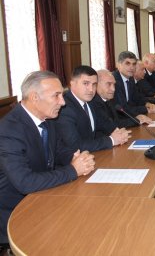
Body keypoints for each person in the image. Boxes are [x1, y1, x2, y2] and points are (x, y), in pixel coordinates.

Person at [0, 71, 95, 246]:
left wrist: (77, 157)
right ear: (35, 97)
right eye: (56, 96)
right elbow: (24, 182)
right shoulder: (8, 131)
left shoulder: (48, 119)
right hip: (14, 210)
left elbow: (59, 151)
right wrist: (73, 169)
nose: (63, 102)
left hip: (43, 194)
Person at [57, 65, 131, 152]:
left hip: (93, 154)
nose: (91, 89)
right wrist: (111, 140)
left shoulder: (91, 101)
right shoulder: (64, 108)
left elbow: (102, 124)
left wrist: (117, 132)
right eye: (85, 83)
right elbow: (75, 146)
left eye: (94, 84)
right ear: (72, 84)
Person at [91, 69, 152, 134]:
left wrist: (137, 118)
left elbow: (117, 121)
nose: (113, 89)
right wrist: (137, 120)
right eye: (108, 84)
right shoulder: (93, 103)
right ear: (96, 85)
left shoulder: (108, 99)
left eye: (114, 84)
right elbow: (111, 127)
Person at [113, 51, 155, 116]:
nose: (131, 67)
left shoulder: (130, 79)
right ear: (118, 65)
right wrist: (145, 109)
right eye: (127, 63)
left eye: (134, 64)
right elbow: (123, 108)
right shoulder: (114, 81)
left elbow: (137, 98)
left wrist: (147, 104)